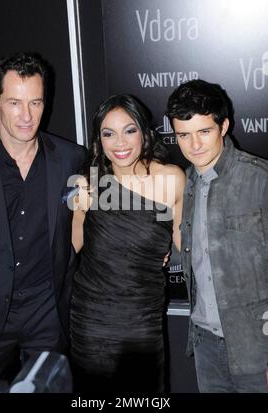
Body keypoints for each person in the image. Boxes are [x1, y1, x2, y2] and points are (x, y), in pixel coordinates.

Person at [0, 52, 84, 380]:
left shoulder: (71, 159)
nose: (26, 116)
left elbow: (91, 221)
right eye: (15, 103)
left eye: (35, 103)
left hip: (47, 318)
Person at [69, 94, 185, 392]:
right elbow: (73, 248)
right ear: (99, 139)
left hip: (142, 321)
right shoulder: (88, 184)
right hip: (91, 320)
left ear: (144, 132)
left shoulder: (170, 179)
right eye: (109, 133)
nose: (119, 143)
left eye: (129, 130)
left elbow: (185, 246)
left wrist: (164, 252)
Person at [167, 79, 268, 393]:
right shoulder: (183, 184)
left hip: (257, 348)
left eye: (204, 131)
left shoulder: (261, 180)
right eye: (184, 134)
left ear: (223, 126)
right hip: (205, 347)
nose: (194, 145)